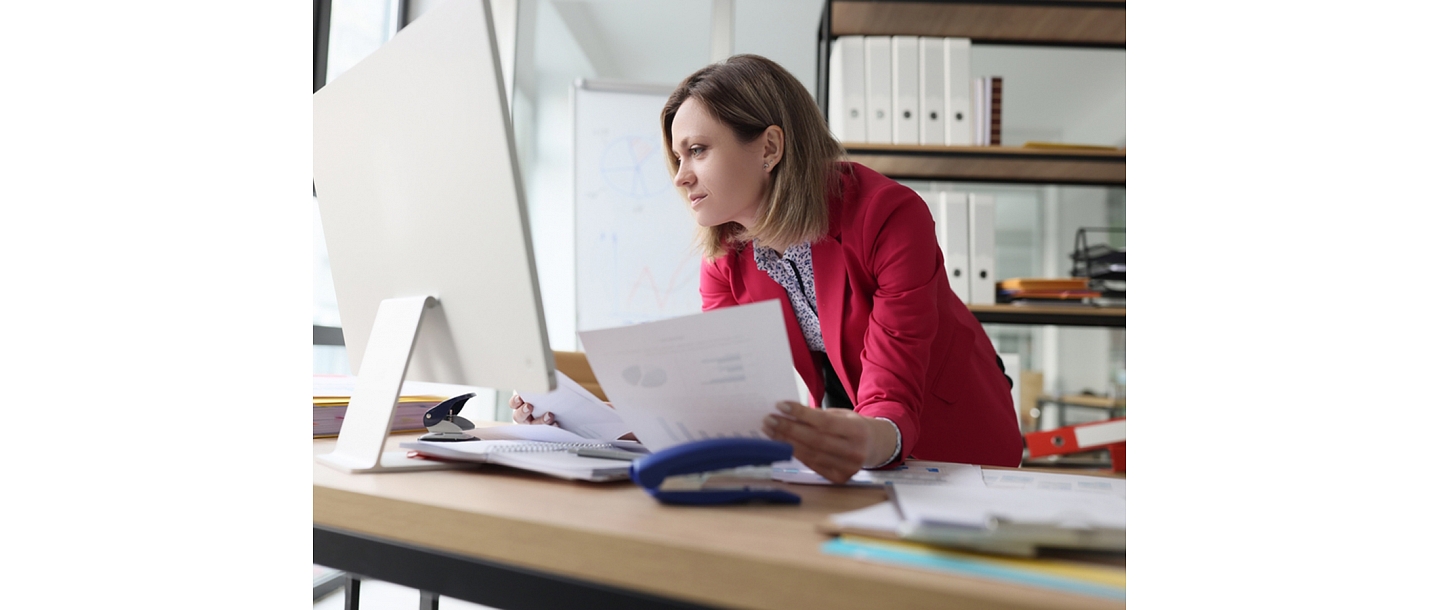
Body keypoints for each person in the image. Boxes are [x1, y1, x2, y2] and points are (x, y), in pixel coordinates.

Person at [513, 54, 1022, 483]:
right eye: (678, 158)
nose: (681, 177)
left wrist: (864, 436)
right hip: (855, 446)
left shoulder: (888, 215)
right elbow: (724, 407)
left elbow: (893, 384)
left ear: (770, 148)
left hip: (956, 441)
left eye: (697, 151)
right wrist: (595, 424)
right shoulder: (725, 259)